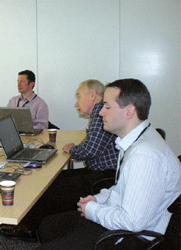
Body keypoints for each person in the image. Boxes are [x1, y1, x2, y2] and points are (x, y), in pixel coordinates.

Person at [37, 79, 181, 249]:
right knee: (48, 225)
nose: (101, 113)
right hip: (119, 217)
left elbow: (131, 223)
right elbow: (122, 188)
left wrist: (92, 209)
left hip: (130, 237)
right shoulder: (134, 140)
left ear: (129, 111)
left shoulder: (145, 156)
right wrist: (98, 198)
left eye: (107, 107)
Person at [0, 80, 118, 240]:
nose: (76, 104)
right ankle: (35, 223)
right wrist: (77, 148)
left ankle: (30, 229)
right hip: (105, 173)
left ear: (92, 96)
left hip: (104, 177)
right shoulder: (101, 111)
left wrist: (73, 150)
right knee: (57, 178)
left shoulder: (99, 110)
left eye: (79, 97)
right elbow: (95, 144)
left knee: (50, 185)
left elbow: (90, 150)